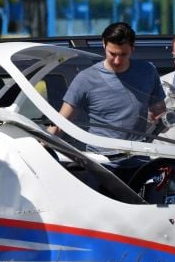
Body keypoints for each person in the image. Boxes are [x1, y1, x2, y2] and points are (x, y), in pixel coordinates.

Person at [49, 22, 166, 176]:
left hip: (139, 163)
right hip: (101, 165)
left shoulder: (147, 71)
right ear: (103, 44)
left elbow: (160, 112)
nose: (117, 60)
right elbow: (60, 124)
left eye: (123, 54)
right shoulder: (86, 79)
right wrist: (40, 145)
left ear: (133, 48)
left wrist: (158, 118)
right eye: (112, 54)